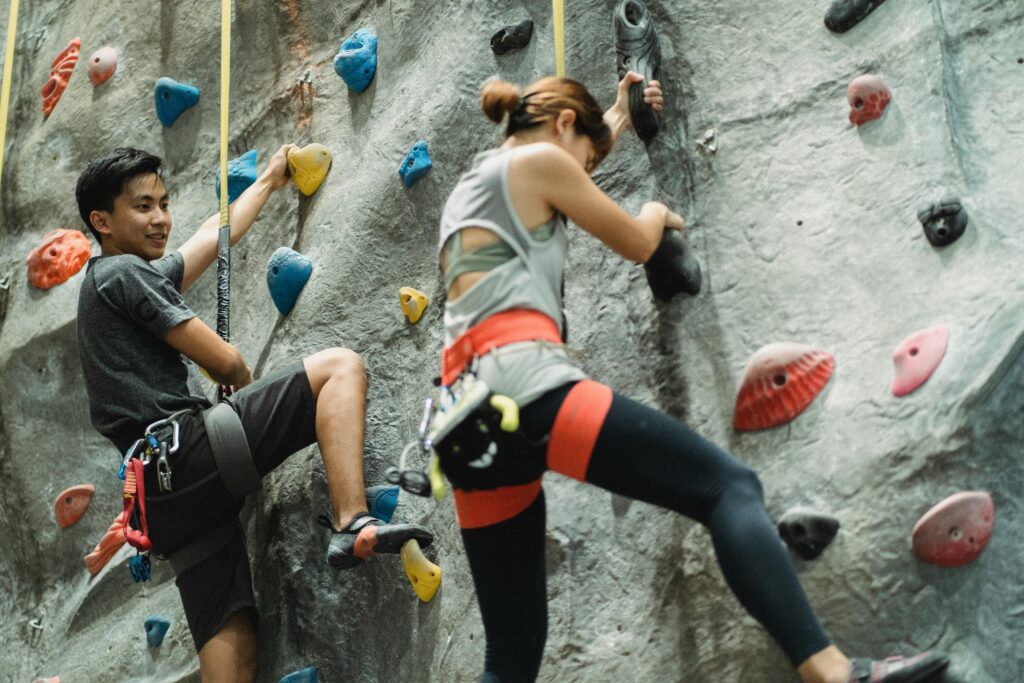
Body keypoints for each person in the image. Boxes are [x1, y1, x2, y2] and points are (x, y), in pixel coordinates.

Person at [434, 73, 950, 683]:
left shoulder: (473, 190)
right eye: (588, 158)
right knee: (726, 487)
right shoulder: (543, 159)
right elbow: (634, 239)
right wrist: (653, 212)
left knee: (511, 656)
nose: (588, 173)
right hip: (525, 388)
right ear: (564, 125)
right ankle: (832, 672)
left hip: (466, 428)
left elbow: (567, 171)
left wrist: (617, 118)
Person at [75, 146, 432, 682]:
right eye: (142, 206)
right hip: (193, 454)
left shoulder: (108, 282)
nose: (160, 218)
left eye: (164, 203)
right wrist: (239, 386)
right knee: (339, 368)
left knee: (230, 639)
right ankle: (350, 519)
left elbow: (212, 239)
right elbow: (225, 360)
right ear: (101, 222)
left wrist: (268, 180)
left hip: (161, 499)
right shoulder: (124, 272)